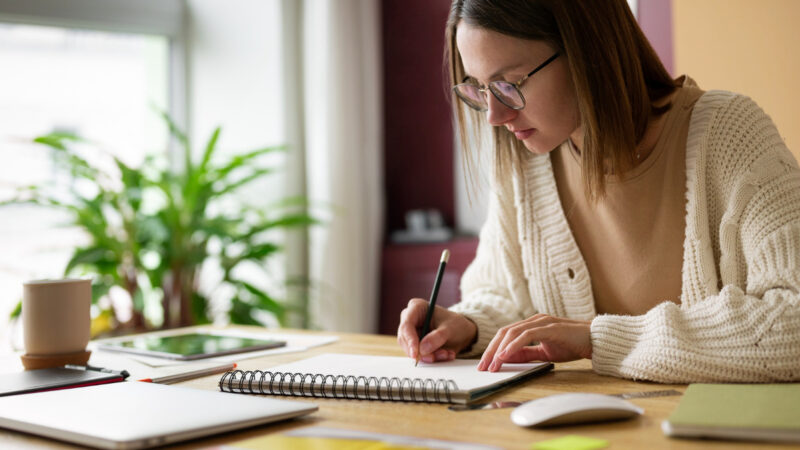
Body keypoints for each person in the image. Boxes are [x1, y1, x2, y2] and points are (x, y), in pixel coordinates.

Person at [396, 0, 800, 383]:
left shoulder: (731, 135)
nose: (495, 117)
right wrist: (468, 326)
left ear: (587, 50)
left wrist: (599, 337)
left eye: (507, 84)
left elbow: (792, 322)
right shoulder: (527, 160)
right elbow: (502, 293)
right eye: (478, 89)